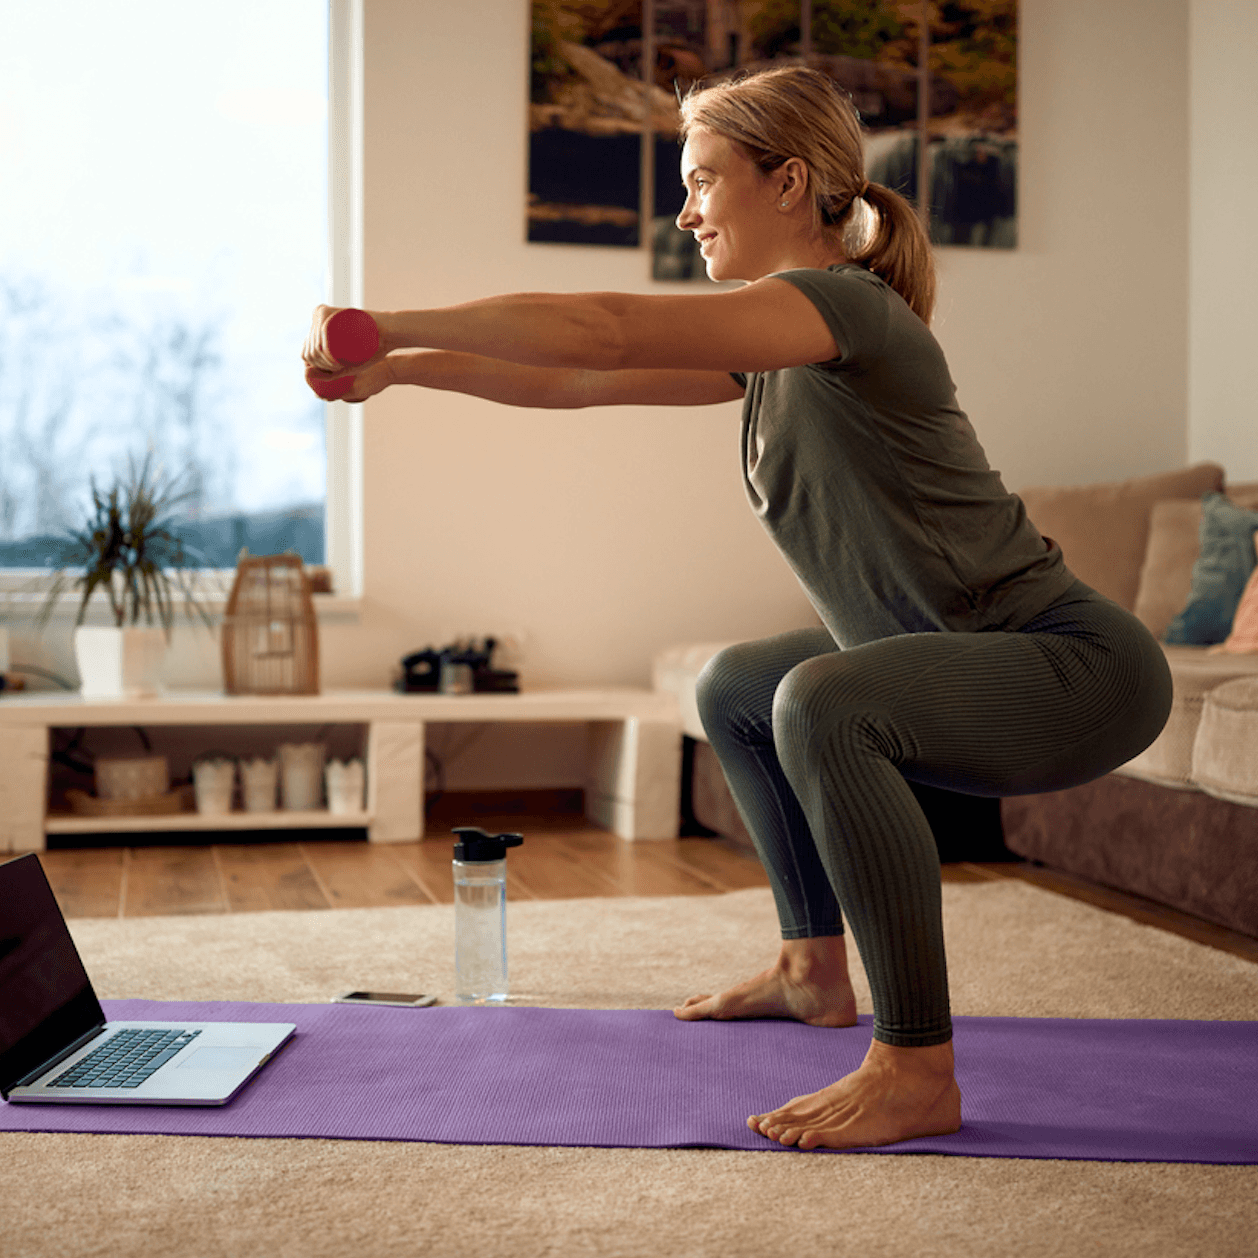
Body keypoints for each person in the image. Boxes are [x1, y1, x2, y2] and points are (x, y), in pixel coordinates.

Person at [302, 67, 1173, 1152]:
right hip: (968, 654)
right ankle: (812, 968)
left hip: (1072, 668)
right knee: (738, 685)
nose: (685, 210)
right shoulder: (768, 358)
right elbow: (577, 380)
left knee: (821, 700)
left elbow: (604, 330)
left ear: (790, 182)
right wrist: (401, 368)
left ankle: (916, 1067)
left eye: (703, 180)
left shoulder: (847, 306)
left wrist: (386, 319)